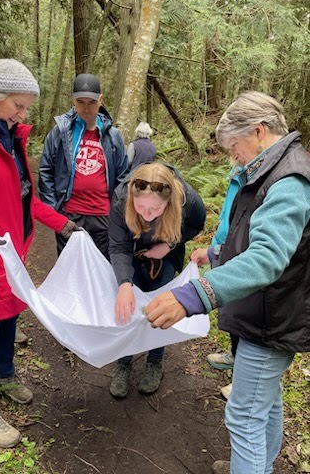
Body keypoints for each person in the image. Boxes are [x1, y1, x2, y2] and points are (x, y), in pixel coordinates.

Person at [144, 91, 310, 474]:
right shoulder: (270, 169)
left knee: (244, 417)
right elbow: (263, 239)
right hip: (267, 311)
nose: (233, 156)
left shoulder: (288, 180)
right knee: (263, 404)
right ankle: (259, 465)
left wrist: (194, 295)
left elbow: (268, 258)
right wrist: (217, 256)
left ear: (259, 131)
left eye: (234, 147)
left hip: (272, 319)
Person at [0, 59, 79, 448]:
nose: (23, 114)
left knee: (10, 318)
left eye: (26, 107)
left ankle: (4, 375)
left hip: (12, 251)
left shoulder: (10, 133)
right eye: (18, 105)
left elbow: (24, 197)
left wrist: (62, 224)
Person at [108, 162, 206, 398]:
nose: (146, 214)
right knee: (129, 306)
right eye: (140, 207)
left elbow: (196, 225)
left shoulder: (188, 200)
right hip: (133, 253)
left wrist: (169, 244)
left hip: (166, 255)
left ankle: (155, 362)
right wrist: (124, 283)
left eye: (155, 209)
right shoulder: (122, 198)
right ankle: (124, 362)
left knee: (159, 307)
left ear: (169, 203)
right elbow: (119, 245)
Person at [39, 73, 128, 259]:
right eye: (81, 102)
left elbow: (123, 176)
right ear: (73, 101)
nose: (86, 108)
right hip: (70, 214)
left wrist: (117, 212)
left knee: (100, 271)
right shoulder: (61, 132)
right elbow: (46, 170)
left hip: (103, 216)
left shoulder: (113, 136)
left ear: (100, 100)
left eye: (91, 102)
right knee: (69, 270)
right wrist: (53, 211)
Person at [191, 163, 242, 400]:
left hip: (238, 255)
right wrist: (214, 248)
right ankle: (234, 355)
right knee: (230, 311)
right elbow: (228, 215)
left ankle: (244, 378)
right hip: (224, 249)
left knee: (244, 315)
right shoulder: (238, 173)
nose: (232, 153)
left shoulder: (264, 178)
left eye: (235, 145)